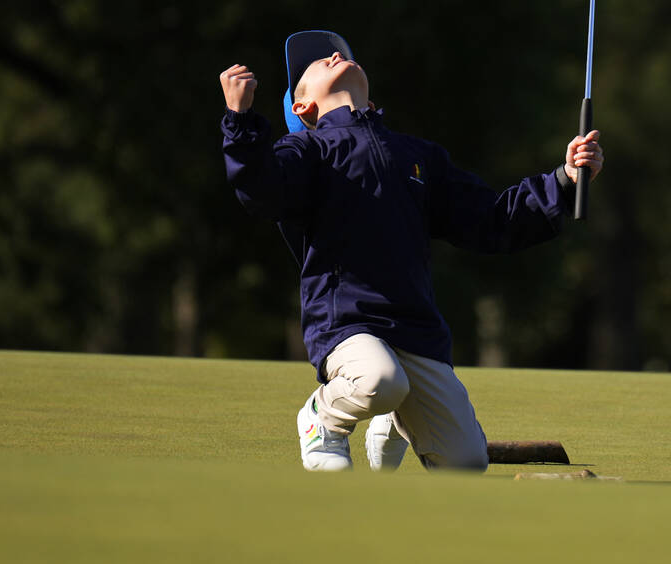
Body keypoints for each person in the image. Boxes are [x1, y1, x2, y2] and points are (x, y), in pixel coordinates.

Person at [219, 30, 603, 472]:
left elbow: (492, 220)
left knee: (465, 462)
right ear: (302, 108)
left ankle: (392, 420)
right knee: (380, 380)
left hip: (415, 329)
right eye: (317, 65)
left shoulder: (418, 156)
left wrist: (563, 180)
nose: (333, 55)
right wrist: (240, 120)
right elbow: (260, 190)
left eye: (340, 55)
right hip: (347, 325)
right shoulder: (305, 150)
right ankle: (321, 419)